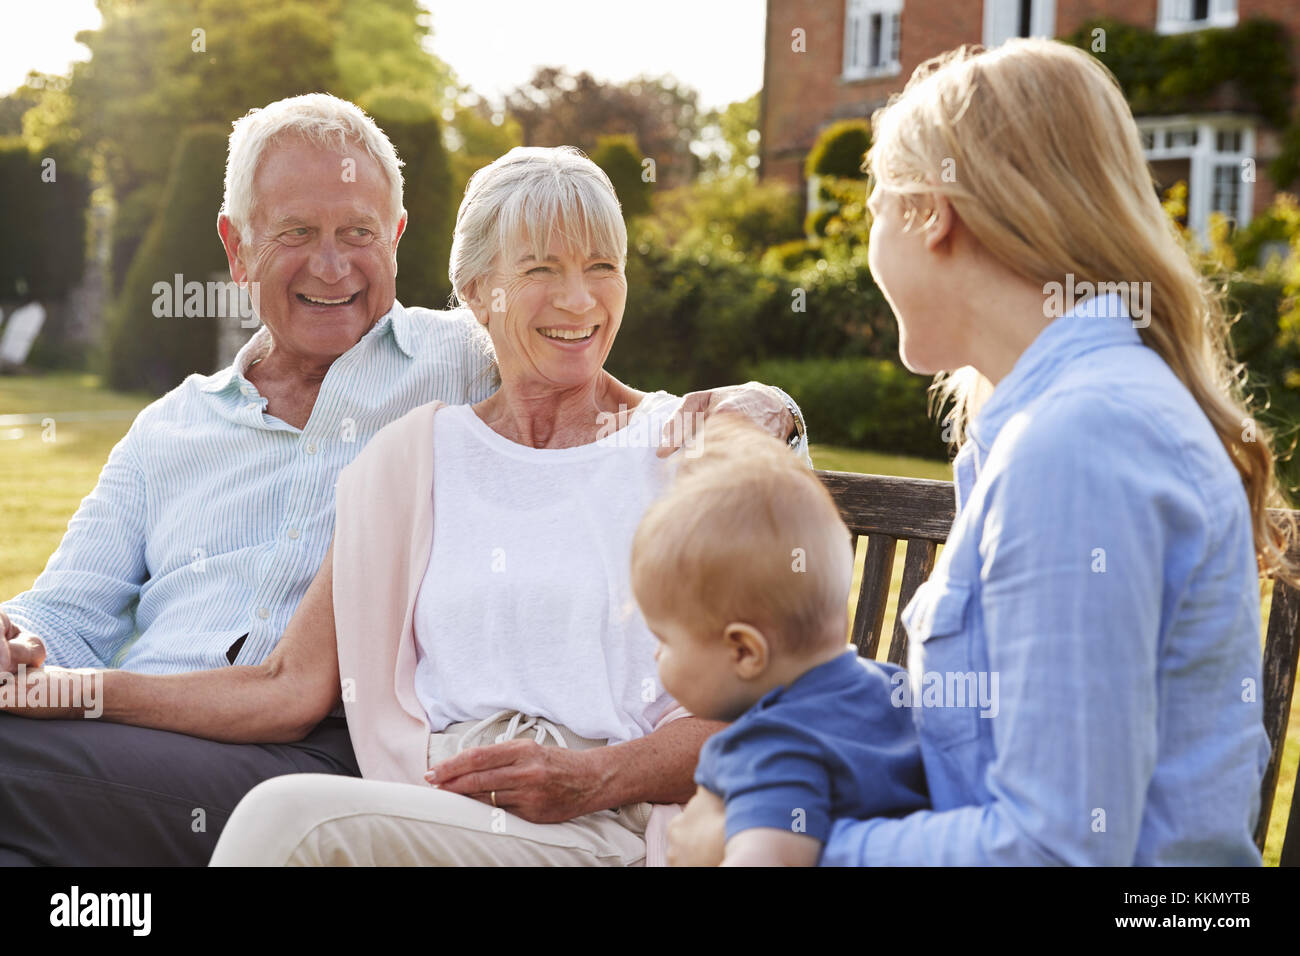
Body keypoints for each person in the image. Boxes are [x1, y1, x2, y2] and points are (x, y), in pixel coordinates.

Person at [0, 95, 806, 866]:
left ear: (396, 238)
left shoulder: (452, 362)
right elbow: (63, 612)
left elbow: (569, 350)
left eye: (358, 231)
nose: (333, 265)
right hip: (152, 738)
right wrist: (20, 650)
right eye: (297, 232)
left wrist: (766, 403)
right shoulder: (176, 430)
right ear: (237, 246)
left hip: (314, 756)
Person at [670, 38, 1292, 867]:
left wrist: (789, 849)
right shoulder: (1062, 421)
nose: (870, 243)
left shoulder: (1078, 444)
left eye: (876, 209)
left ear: (934, 212)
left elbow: (1055, 848)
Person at [630, 415, 928, 866]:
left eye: (665, 641)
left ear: (745, 651)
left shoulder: (769, 748)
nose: (656, 656)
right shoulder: (895, 691)